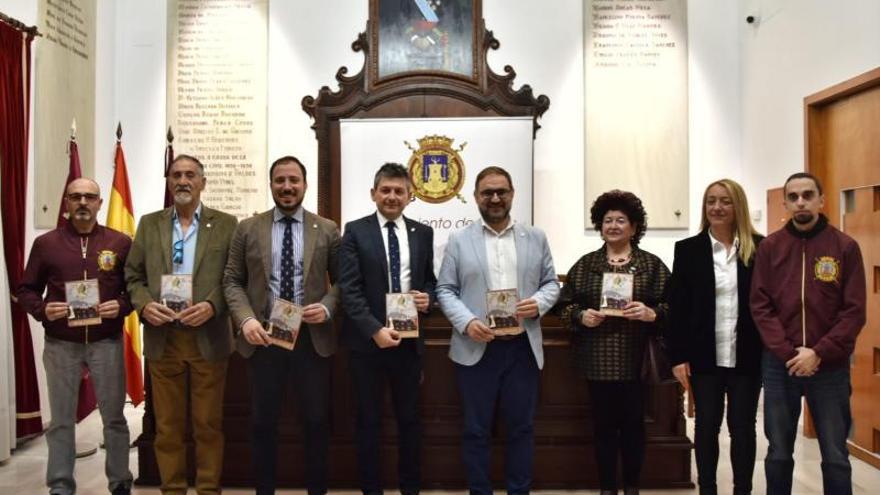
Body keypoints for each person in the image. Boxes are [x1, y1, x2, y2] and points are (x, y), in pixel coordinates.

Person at [436, 166, 559, 495]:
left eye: (501, 191)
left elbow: (551, 283)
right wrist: (467, 322)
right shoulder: (459, 240)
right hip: (477, 349)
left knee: (521, 428)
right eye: (487, 192)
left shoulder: (535, 237)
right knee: (476, 430)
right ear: (476, 197)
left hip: (522, 348)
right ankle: (480, 491)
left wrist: (539, 302)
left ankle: (519, 490)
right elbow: (445, 289)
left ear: (512, 194)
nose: (494, 198)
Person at [222, 155, 340, 495]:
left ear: (305, 184)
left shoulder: (327, 228)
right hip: (264, 338)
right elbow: (232, 280)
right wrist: (244, 320)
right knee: (262, 423)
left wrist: (329, 307)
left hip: (311, 339)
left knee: (317, 422)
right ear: (271, 184)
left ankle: (317, 490)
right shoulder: (247, 228)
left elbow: (345, 281)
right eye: (280, 181)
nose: (287, 187)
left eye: (293, 180)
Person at [125, 155, 238, 495]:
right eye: (176, 175)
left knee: (207, 424)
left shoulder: (227, 223)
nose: (183, 180)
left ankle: (207, 488)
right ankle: (172, 488)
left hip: (208, 337)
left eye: (190, 175)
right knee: (168, 426)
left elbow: (235, 276)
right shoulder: (149, 224)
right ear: (168, 181)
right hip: (164, 338)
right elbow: (132, 276)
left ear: (203, 182)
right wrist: (145, 306)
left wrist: (212, 305)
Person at [751, 172, 866, 495]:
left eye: (807, 195)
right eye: (793, 196)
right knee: (778, 454)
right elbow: (760, 306)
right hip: (780, 366)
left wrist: (818, 352)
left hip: (829, 367)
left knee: (835, 456)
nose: (800, 202)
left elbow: (854, 310)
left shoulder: (845, 247)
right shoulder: (770, 248)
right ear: (786, 202)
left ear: (821, 200)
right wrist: (789, 354)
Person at [17, 178, 134, 495]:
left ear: (100, 203)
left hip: (106, 342)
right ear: (66, 203)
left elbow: (135, 289)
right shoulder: (46, 244)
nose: (83, 202)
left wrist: (120, 306)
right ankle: (60, 485)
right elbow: (26, 289)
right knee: (62, 421)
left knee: (113, 418)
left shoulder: (121, 242)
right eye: (76, 196)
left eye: (89, 197)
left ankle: (120, 481)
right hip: (61, 345)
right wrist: (42, 310)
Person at [557, 190, 670, 495]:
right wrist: (581, 316)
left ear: (634, 227)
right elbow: (563, 306)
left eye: (621, 220)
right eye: (608, 220)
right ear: (600, 225)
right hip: (598, 359)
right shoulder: (586, 265)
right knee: (603, 428)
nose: (614, 226)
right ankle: (607, 487)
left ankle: (632, 485)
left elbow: (674, 307)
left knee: (634, 427)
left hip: (637, 360)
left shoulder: (652, 265)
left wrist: (651, 313)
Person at [338, 162, 437, 495]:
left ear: (410, 196)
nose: (392, 197)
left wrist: (428, 298)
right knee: (369, 423)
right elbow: (349, 290)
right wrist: (374, 330)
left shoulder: (423, 233)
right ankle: (371, 490)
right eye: (386, 190)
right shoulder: (355, 231)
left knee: (410, 422)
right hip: (367, 346)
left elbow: (429, 282)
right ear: (373, 194)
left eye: (399, 191)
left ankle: (411, 489)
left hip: (409, 345)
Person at [667, 179, 764, 495]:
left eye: (725, 201)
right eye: (711, 201)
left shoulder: (760, 248)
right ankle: (707, 489)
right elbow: (678, 308)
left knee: (743, 430)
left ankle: (742, 490)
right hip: (703, 356)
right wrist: (678, 357)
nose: (717, 207)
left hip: (746, 355)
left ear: (738, 207)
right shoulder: (688, 250)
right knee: (706, 427)